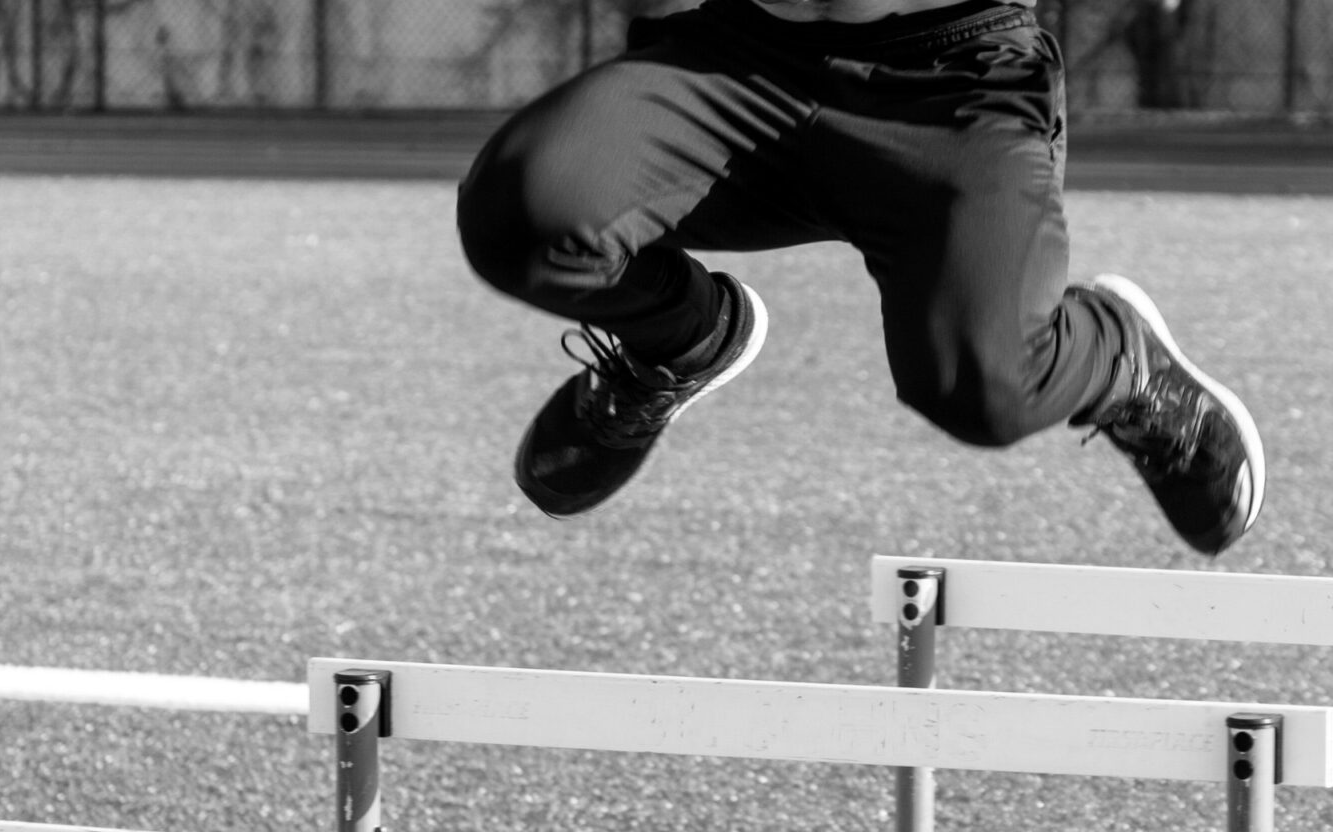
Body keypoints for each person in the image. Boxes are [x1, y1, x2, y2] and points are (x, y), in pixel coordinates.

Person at [455, 0, 1263, 555]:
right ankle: (679, 339)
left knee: (983, 385)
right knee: (520, 218)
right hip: (739, 60)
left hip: (949, 85)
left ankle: (1121, 365)